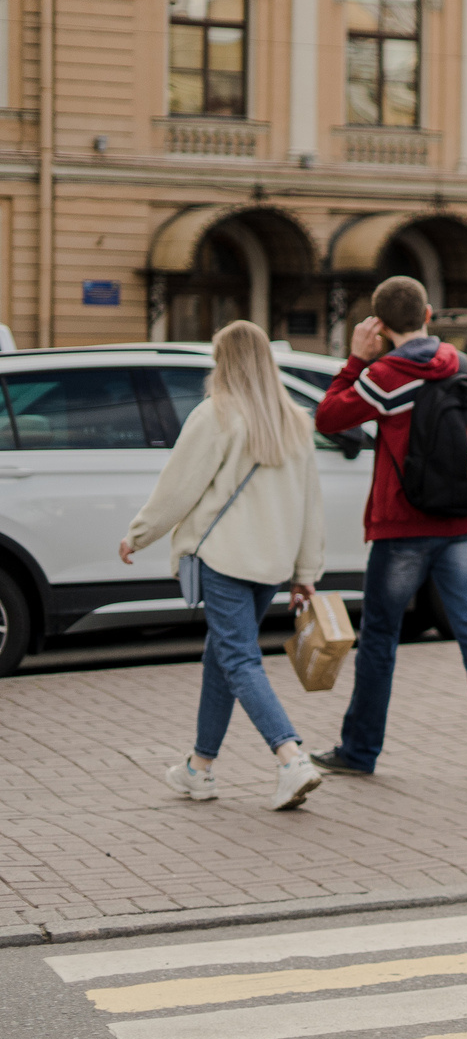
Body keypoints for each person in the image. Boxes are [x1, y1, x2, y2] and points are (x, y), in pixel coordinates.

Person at [310, 276, 467, 785]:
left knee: (381, 637)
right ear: (428, 313)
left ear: (379, 326)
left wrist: (356, 359)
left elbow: (329, 416)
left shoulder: (386, 375)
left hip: (403, 525)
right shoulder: (461, 366)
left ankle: (360, 751)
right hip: (465, 521)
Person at [120, 321, 328, 811]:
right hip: (271, 563)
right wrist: (305, 572)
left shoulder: (215, 415)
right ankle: (199, 769)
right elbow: (309, 504)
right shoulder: (295, 421)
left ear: (225, 362)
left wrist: (139, 534)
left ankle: (290, 757)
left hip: (224, 558)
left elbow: (178, 487)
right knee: (221, 659)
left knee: (237, 659)